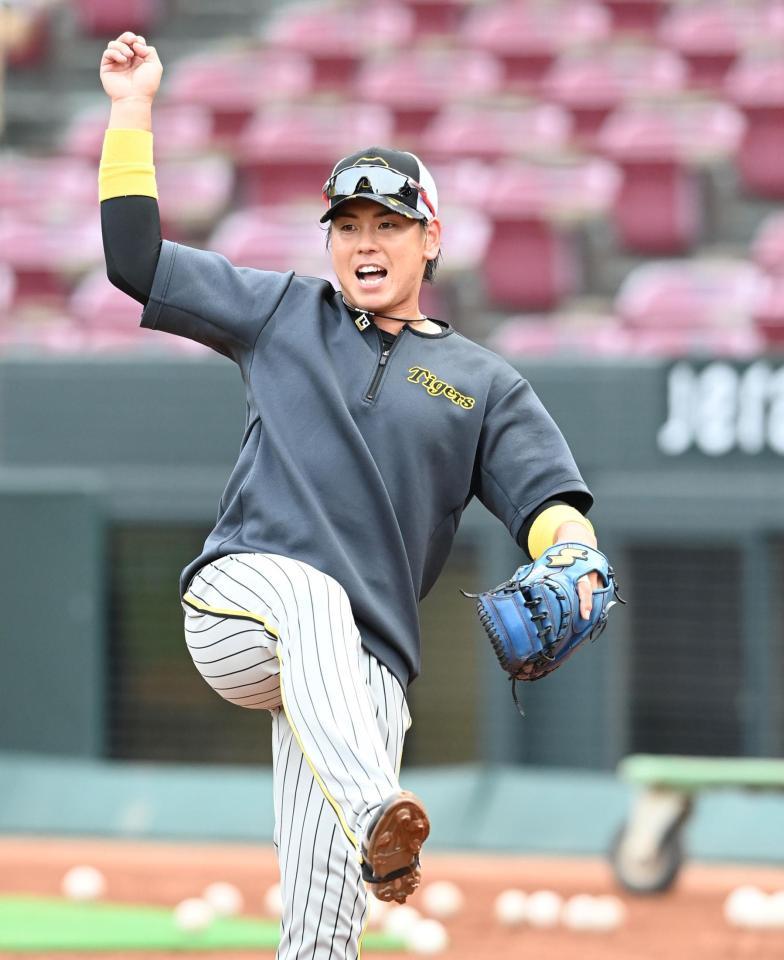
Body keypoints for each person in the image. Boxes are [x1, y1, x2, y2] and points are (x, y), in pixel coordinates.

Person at [99, 31, 602, 959]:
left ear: (430, 238)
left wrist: (570, 552)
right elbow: (135, 260)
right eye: (348, 225)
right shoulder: (283, 311)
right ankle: (379, 810)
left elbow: (546, 505)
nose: (365, 243)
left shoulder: (484, 385)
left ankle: (370, 835)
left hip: (362, 675)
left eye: (389, 224)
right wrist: (133, 110)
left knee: (323, 936)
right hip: (243, 608)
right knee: (310, 595)